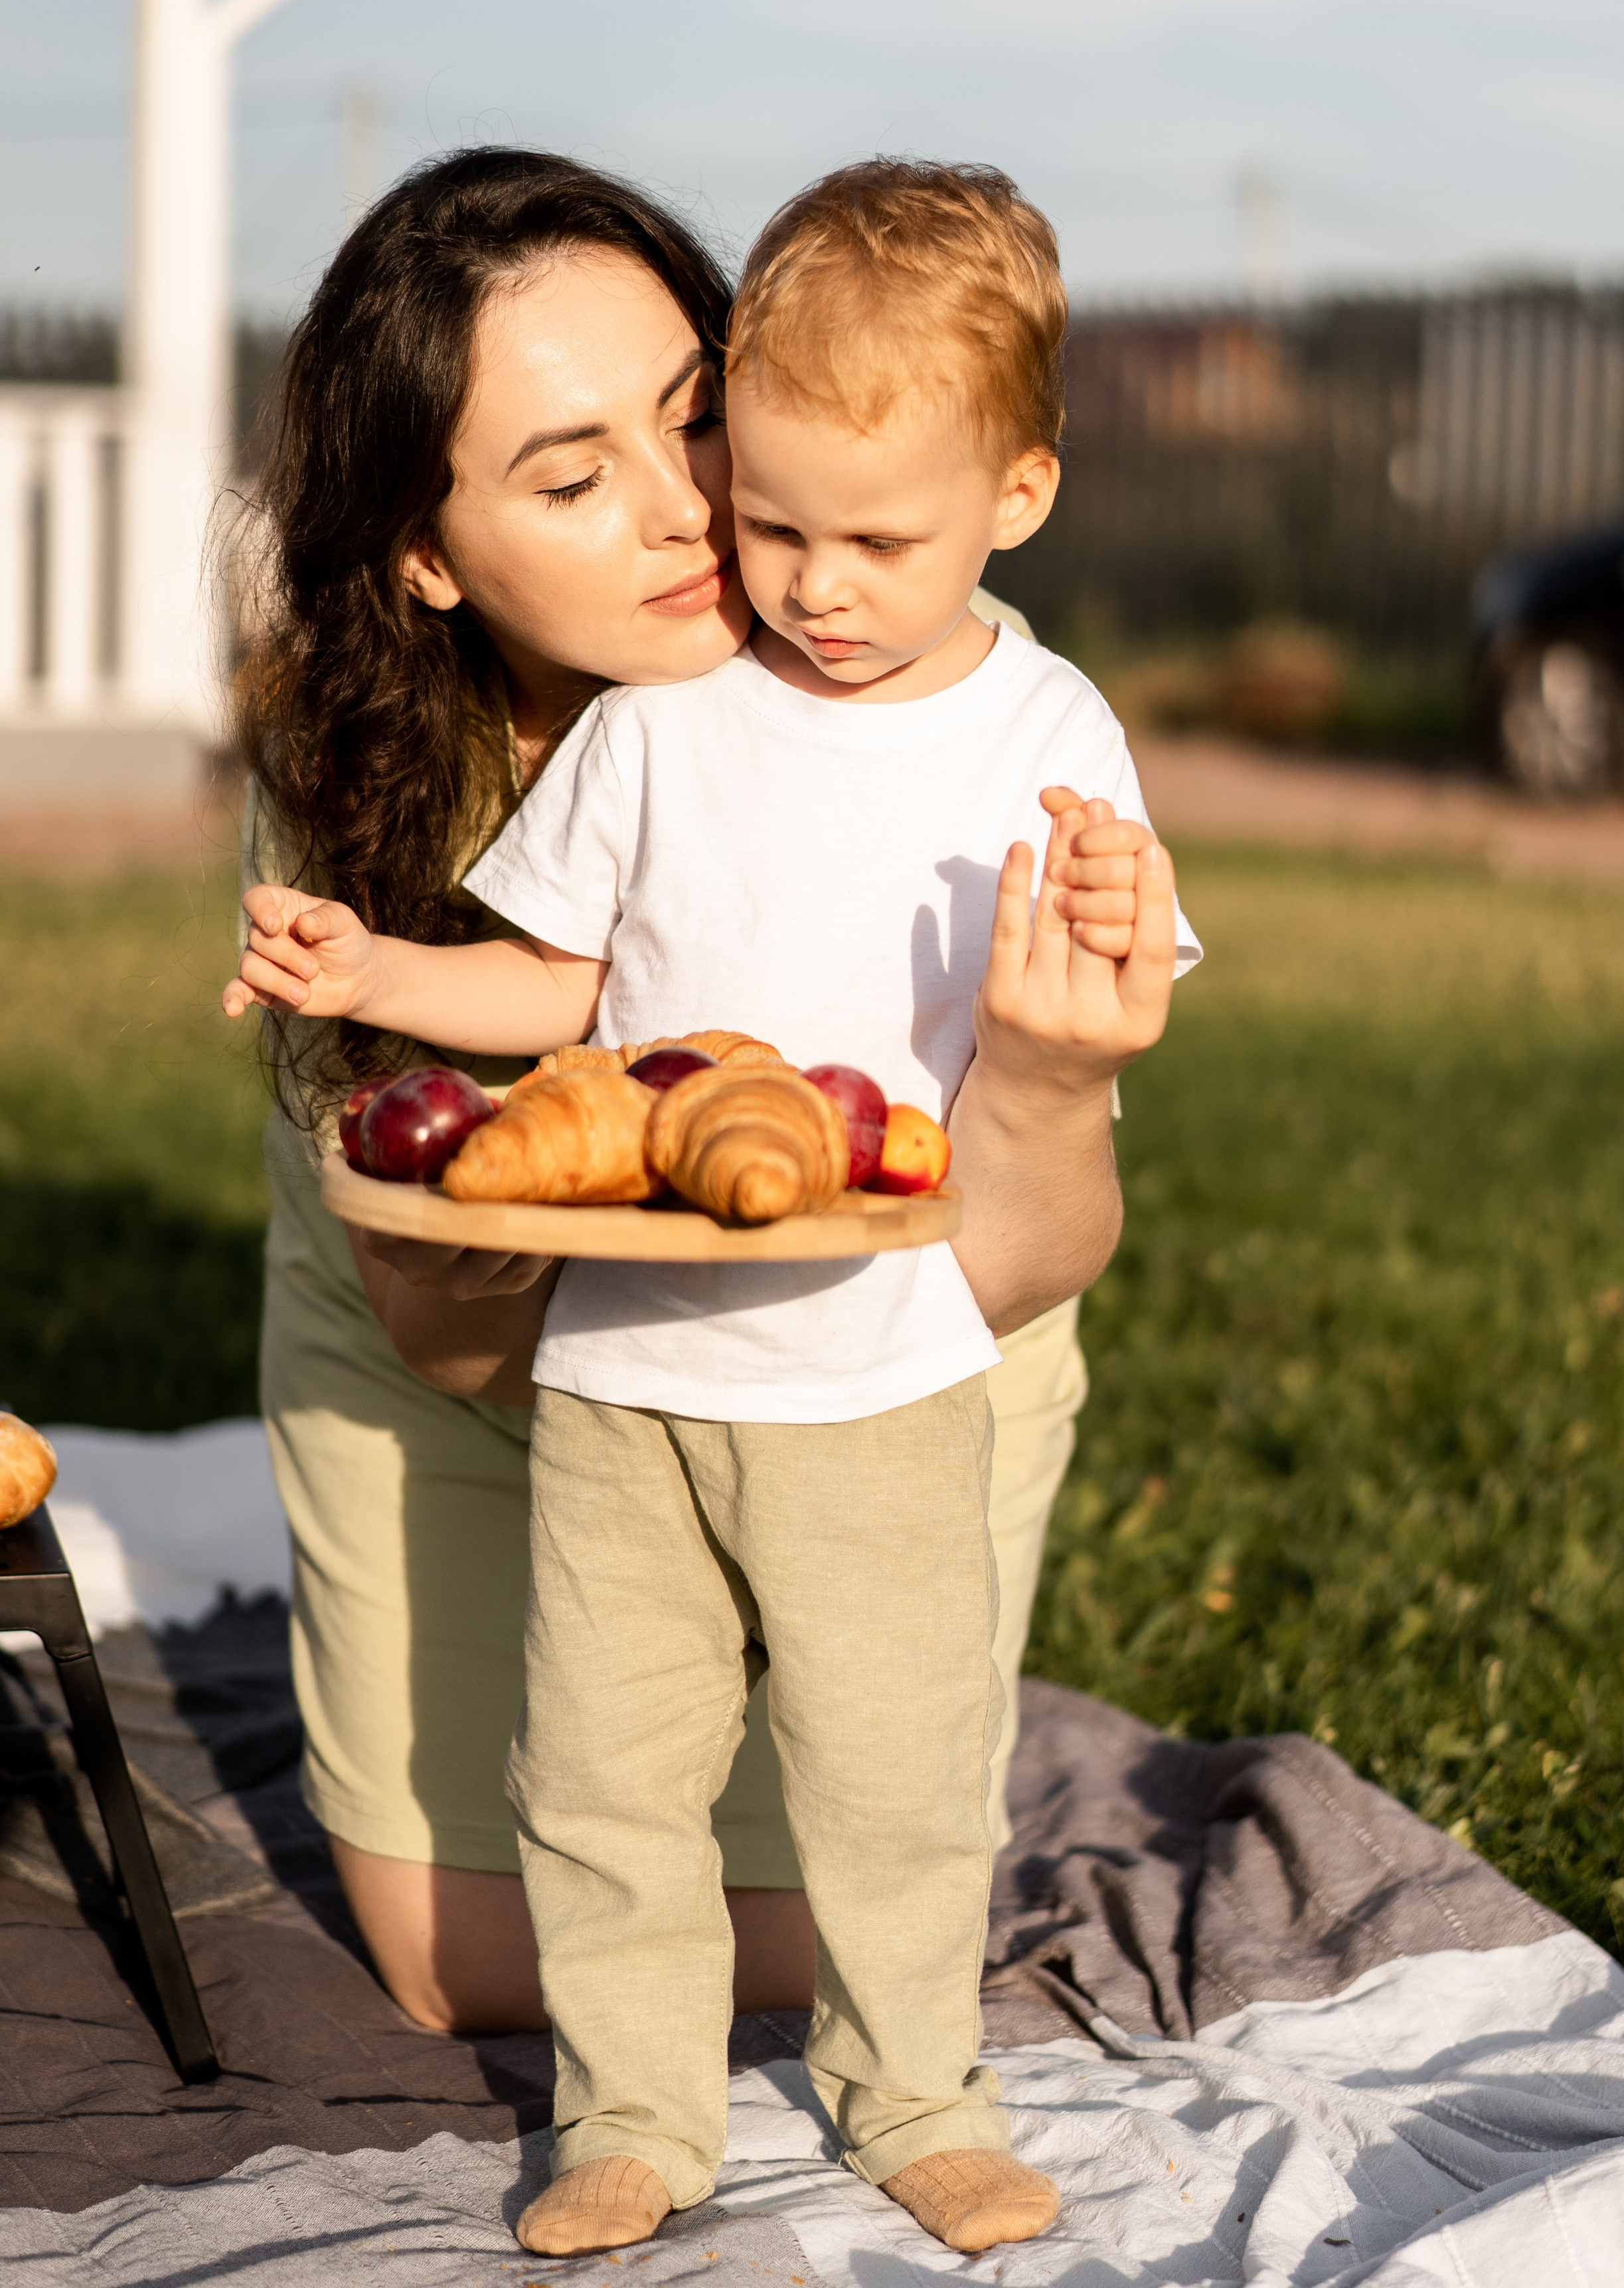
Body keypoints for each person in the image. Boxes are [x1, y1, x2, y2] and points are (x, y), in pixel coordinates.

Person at [232, 157, 1200, 2259]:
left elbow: (1030, 1235)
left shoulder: (990, 702)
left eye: (691, 423)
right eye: (573, 481)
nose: (712, 530)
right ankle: (641, 2111)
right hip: (580, 1363)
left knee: (893, 1786)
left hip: (892, 1353)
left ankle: (907, 2081)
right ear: (422, 551)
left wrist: (1053, 1061)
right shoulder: (561, 740)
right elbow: (541, 1056)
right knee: (557, 1825)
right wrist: (385, 994)